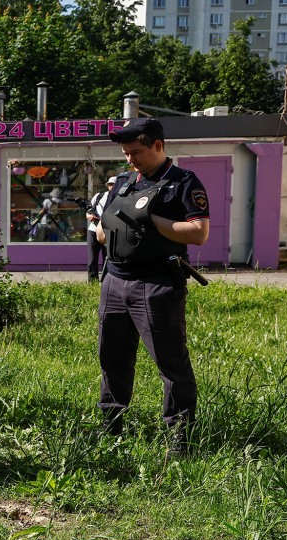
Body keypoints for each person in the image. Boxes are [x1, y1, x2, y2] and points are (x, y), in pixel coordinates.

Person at [95, 118, 210, 456]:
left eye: (137, 152)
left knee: (171, 362)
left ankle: (180, 437)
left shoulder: (183, 182)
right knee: (112, 358)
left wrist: (150, 221)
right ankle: (110, 426)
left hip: (156, 283)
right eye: (126, 153)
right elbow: (104, 233)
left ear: (158, 146)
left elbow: (199, 232)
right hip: (115, 281)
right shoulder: (126, 181)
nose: (131, 159)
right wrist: (104, 224)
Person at [84, 176, 115, 281]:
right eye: (110, 184)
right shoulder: (99, 196)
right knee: (92, 258)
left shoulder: (120, 198)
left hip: (109, 230)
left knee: (108, 257)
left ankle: (106, 281)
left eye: (113, 184)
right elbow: (89, 211)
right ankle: (92, 282)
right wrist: (89, 216)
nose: (111, 187)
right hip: (94, 229)